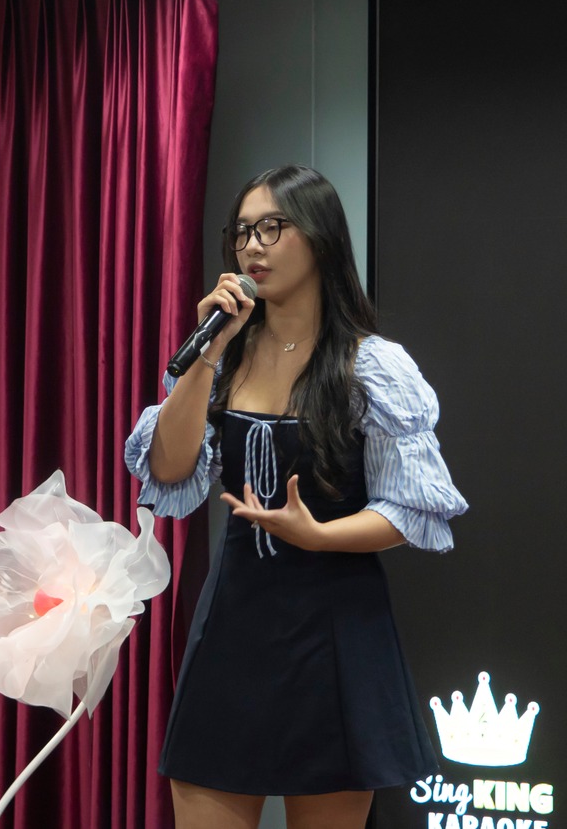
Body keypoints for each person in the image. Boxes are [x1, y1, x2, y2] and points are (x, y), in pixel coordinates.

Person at [125, 164, 468, 829]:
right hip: (233, 628)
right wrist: (207, 353)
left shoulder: (371, 364)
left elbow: (408, 509)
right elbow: (167, 469)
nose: (252, 246)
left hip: (336, 632)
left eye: (271, 228)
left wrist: (318, 535)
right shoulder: (222, 353)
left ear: (319, 236)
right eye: (242, 231)